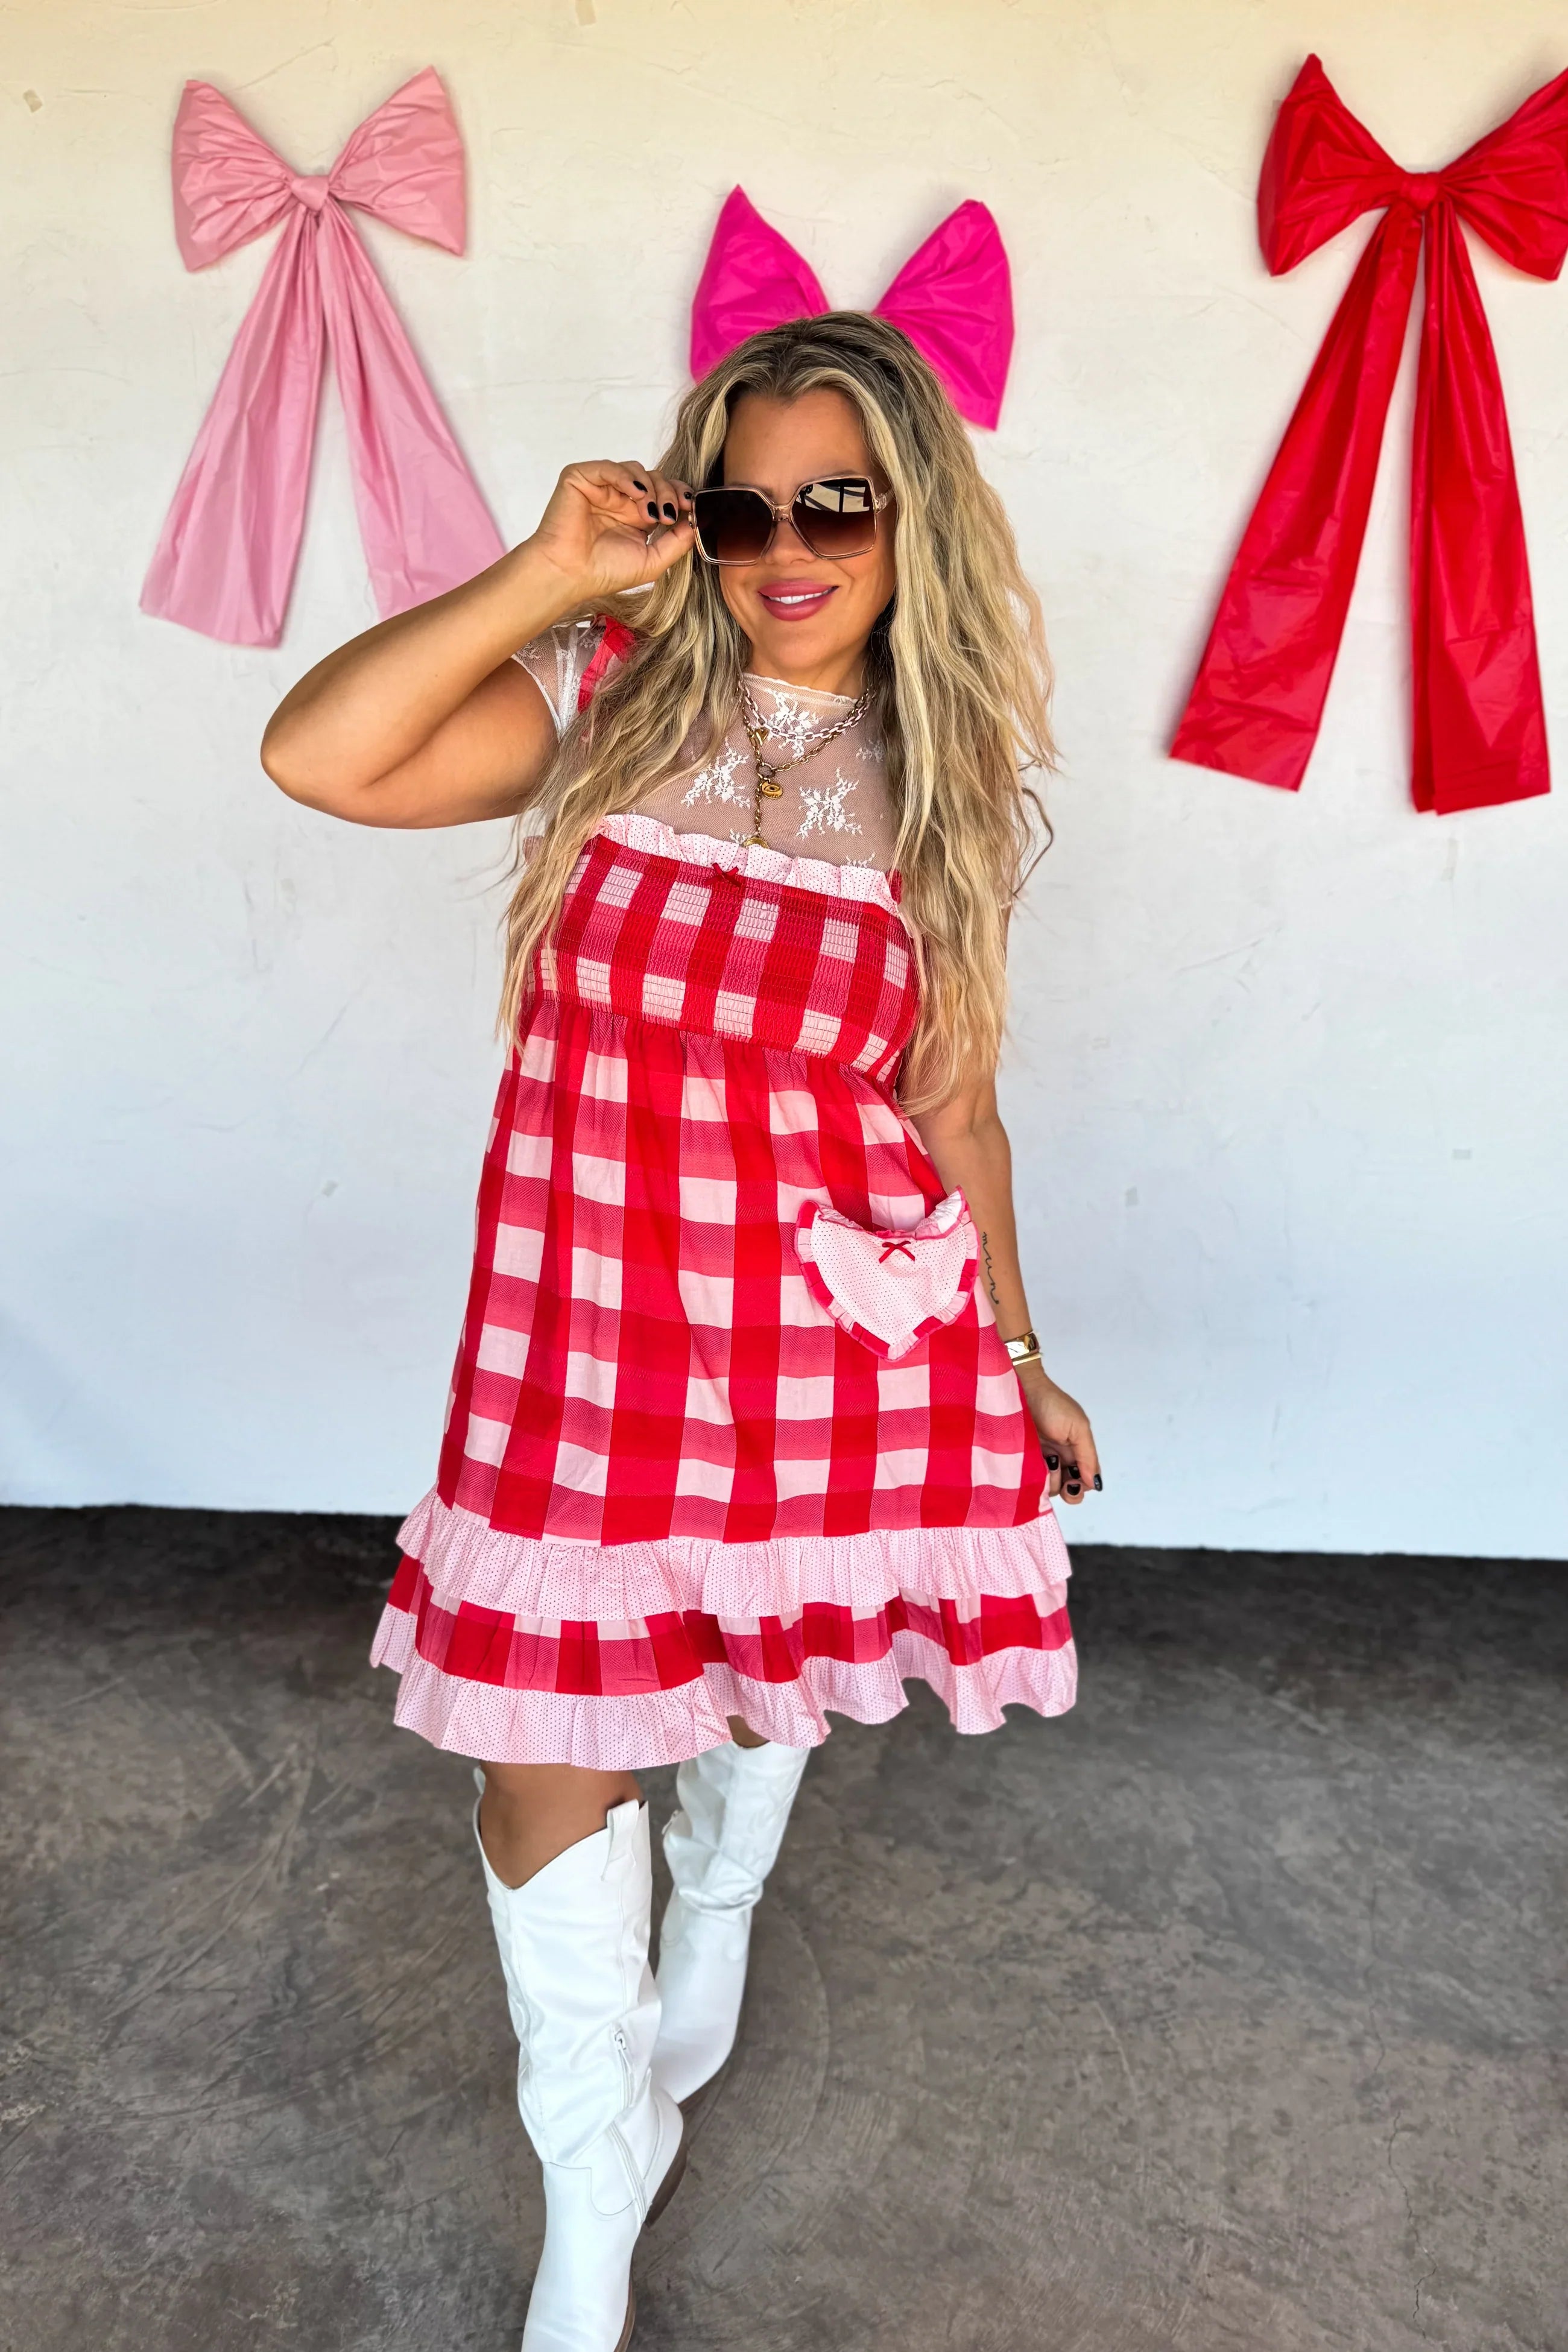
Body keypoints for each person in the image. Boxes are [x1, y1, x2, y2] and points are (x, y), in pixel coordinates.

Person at [262, 311, 1101, 2352]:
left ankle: (715, 1898)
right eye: (745, 509)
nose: (789, 548)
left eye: (840, 504)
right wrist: (551, 571)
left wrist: (1019, 1350)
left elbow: (955, 1109)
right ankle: (594, 2171)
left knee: (747, 1663)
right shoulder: (609, 706)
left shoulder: (948, 795)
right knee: (541, 1745)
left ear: (914, 518)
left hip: (829, 1327)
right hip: (585, 1331)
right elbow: (322, 752)